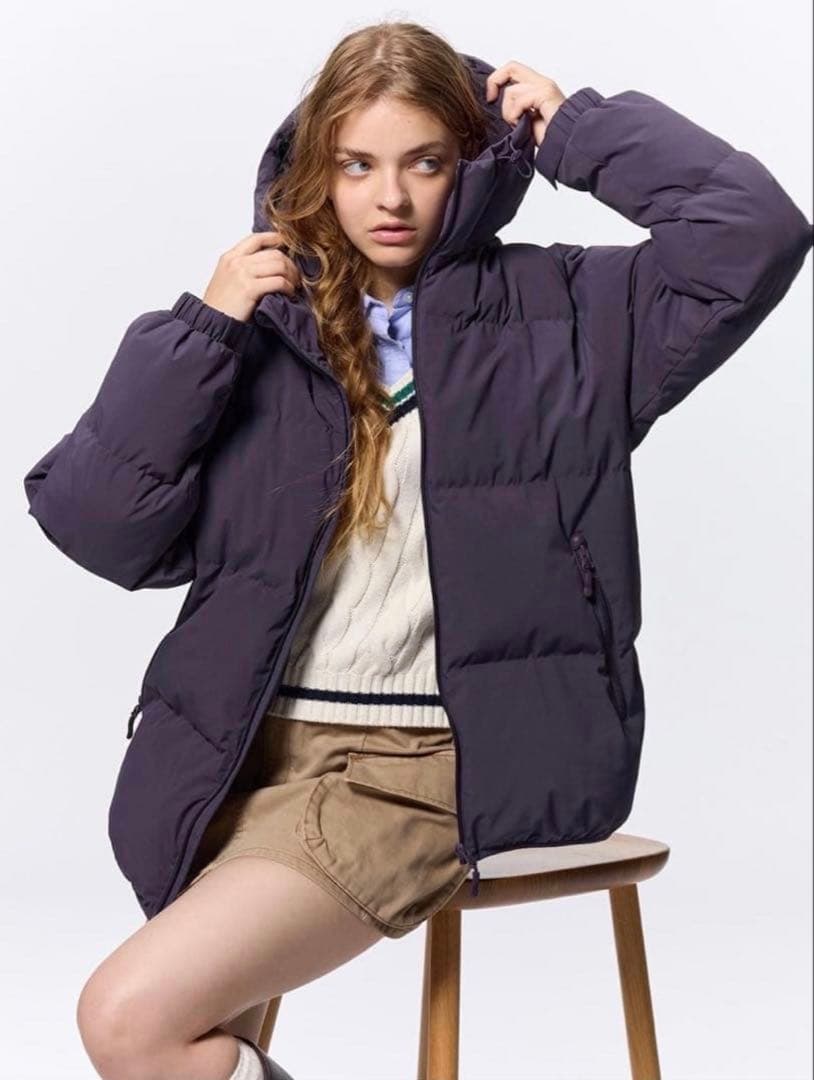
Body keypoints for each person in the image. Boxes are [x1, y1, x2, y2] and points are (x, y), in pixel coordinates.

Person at [22, 19, 812, 1080]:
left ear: (474, 163)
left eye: (425, 163)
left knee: (127, 1019)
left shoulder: (573, 314)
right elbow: (98, 529)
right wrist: (201, 332)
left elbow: (754, 232)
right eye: (357, 164)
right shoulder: (262, 330)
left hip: (426, 768)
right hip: (244, 754)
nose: (389, 198)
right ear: (316, 170)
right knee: (172, 1032)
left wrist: (579, 131)